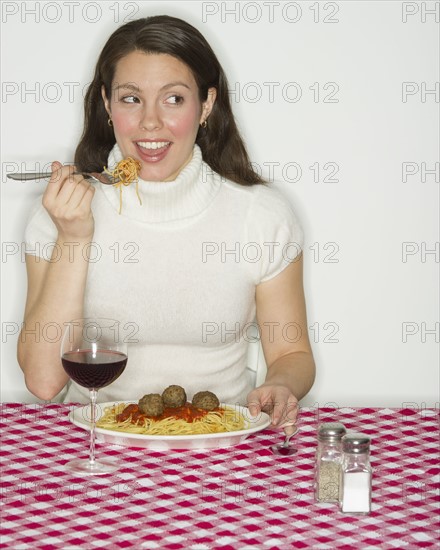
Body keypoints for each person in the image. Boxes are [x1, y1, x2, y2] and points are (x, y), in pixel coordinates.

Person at [17, 15, 315, 435]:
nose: (151, 122)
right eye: (131, 99)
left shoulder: (262, 215)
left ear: (206, 104)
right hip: (95, 446)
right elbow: (44, 382)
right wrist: (73, 237)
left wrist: (281, 384)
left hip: (219, 443)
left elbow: (291, 352)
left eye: (173, 98)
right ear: (106, 104)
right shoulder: (60, 213)